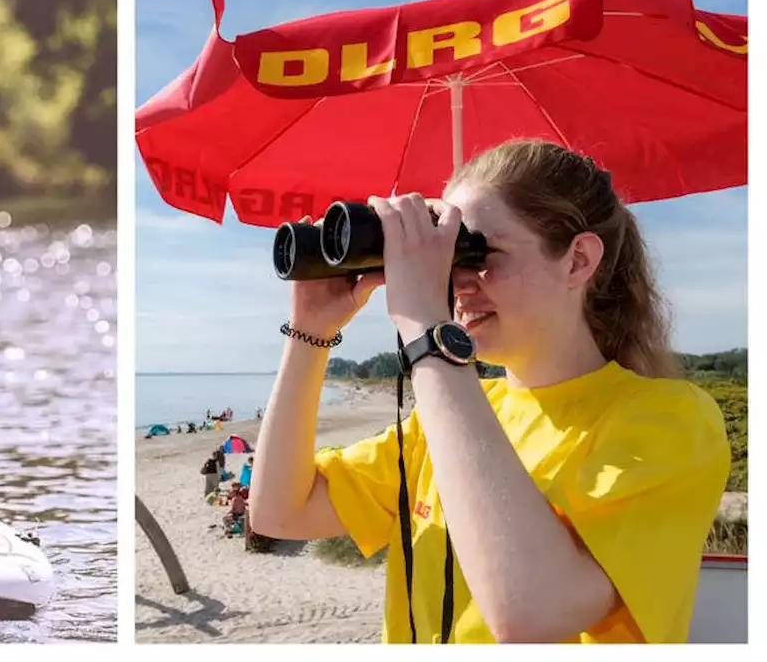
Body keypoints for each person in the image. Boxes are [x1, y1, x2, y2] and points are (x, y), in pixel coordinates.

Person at [250, 139, 729, 643]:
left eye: (478, 252)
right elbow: (281, 511)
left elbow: (533, 612)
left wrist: (426, 332)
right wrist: (311, 330)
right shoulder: (455, 417)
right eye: (448, 256)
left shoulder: (670, 421)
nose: (457, 283)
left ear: (577, 261)